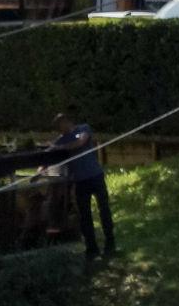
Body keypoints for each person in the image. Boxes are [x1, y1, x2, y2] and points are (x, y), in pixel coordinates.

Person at [47, 111, 115, 259]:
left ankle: (110, 244)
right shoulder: (61, 140)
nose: (59, 130)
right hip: (80, 181)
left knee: (104, 210)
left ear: (66, 122)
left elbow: (81, 142)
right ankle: (92, 248)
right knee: (85, 216)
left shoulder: (83, 129)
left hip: (95, 176)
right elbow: (49, 153)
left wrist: (60, 147)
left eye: (59, 126)